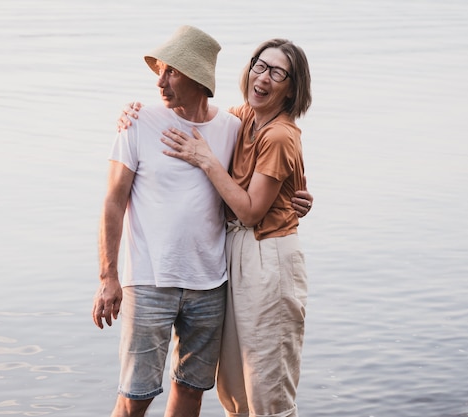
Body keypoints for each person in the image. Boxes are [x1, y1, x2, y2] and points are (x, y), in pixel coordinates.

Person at [92, 25, 242, 417]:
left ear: (197, 79)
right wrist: (108, 277)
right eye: (160, 69)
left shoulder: (232, 129)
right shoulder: (138, 122)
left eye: (171, 71)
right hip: (148, 281)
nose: (160, 80)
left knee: (191, 391)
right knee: (135, 395)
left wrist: (300, 197)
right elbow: (112, 201)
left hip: (210, 284)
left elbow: (263, 181)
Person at [160, 38, 312, 417]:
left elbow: (250, 212)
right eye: (260, 65)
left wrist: (206, 160)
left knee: (267, 386)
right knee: (235, 385)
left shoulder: (278, 135)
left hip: (268, 257)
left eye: (278, 73)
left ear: (292, 88)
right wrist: (133, 113)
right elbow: (192, 113)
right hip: (236, 254)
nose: (264, 77)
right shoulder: (242, 118)